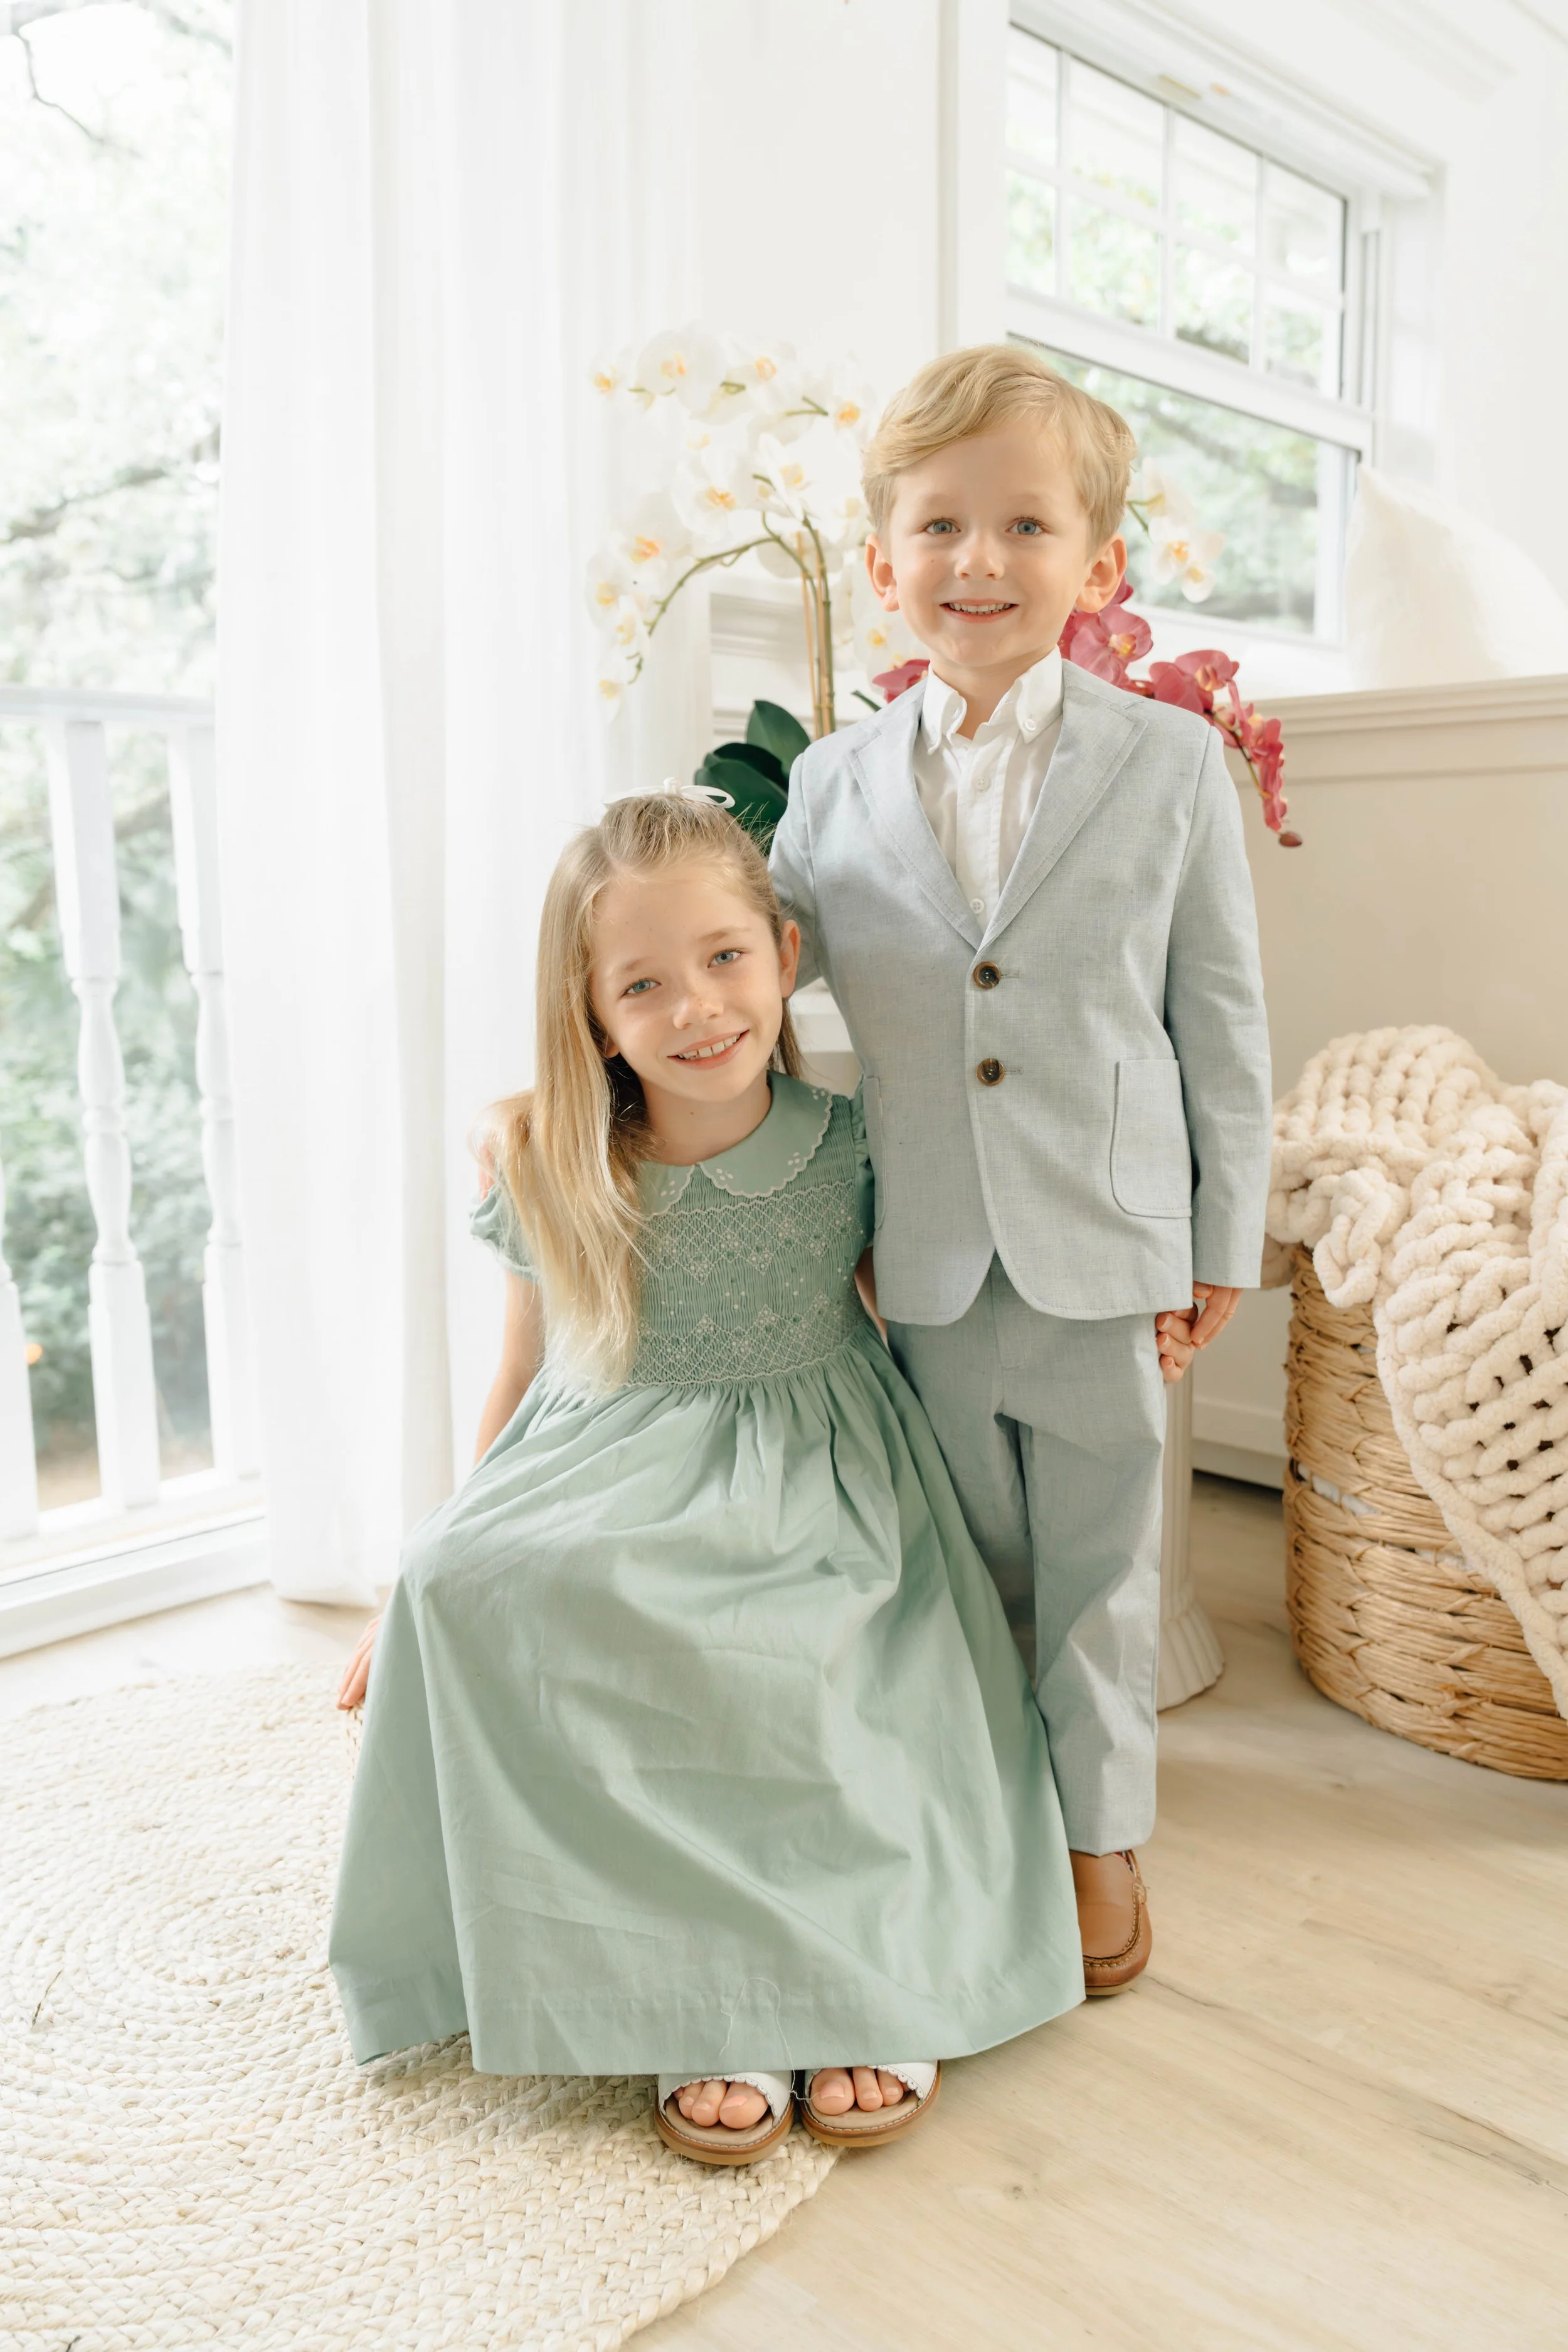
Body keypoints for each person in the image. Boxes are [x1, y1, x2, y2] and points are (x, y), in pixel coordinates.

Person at [329, 791, 1158, 2163]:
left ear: (783, 956)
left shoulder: (851, 1142)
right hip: (611, 1446)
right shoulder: (552, 1157)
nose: (697, 1007)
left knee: (793, 1650)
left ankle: (854, 1982)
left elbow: (948, 1307)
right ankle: (697, 1991)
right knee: (465, 1584)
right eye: (642, 983)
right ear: (595, 1016)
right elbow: (524, 1371)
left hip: (814, 1455)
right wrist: (421, 1568)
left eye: (724, 959)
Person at [770, 343, 1273, 1995]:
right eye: (935, 526)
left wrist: (1220, 1235)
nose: (974, 562)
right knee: (965, 1556)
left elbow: (1217, 1017)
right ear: (881, 560)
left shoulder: (1166, 762)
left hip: (1103, 1241)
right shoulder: (828, 787)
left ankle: (1097, 1828)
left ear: (1096, 564)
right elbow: (773, 1002)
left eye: (1022, 526)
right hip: (914, 1251)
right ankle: (986, 1806)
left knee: (1101, 1561)